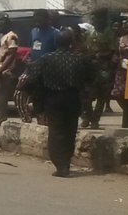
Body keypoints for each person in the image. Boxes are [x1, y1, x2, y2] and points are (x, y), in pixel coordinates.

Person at [23, 28, 88, 178]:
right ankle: (65, 163)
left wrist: (34, 96)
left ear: (55, 42)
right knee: (70, 131)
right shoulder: (80, 59)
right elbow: (91, 77)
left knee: (56, 131)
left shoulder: (46, 59)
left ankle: (61, 165)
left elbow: (32, 78)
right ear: (71, 43)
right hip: (73, 98)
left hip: (53, 99)